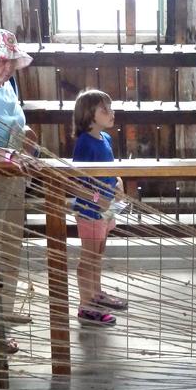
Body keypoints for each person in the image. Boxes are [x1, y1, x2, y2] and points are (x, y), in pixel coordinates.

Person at [0, 28, 38, 334]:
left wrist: (29, 142)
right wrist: (9, 157)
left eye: (10, 64)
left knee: (10, 247)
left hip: (14, 177)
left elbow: (21, 125)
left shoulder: (8, 86)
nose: (7, 69)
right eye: (2, 64)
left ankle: (4, 312)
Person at [72, 89, 126, 325]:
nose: (111, 112)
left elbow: (109, 171)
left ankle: (96, 293)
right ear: (89, 115)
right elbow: (76, 185)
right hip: (90, 211)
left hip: (107, 208)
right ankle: (86, 307)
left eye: (110, 107)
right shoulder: (84, 144)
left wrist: (119, 183)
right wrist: (98, 199)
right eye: (105, 110)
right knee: (89, 258)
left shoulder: (106, 139)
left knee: (99, 253)